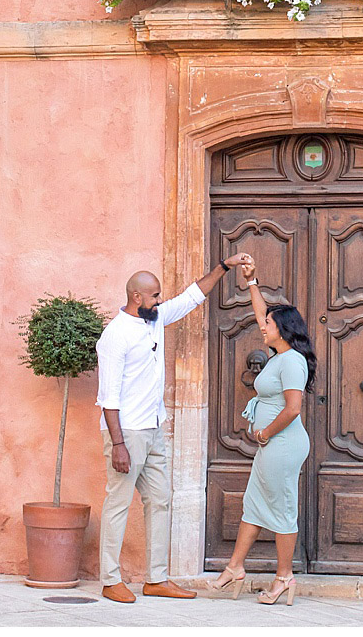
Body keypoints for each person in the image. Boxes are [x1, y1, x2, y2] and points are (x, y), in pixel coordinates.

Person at [96, 253, 253, 603]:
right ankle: (109, 579)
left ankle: (156, 579)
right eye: (154, 295)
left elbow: (191, 297)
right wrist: (118, 444)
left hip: (153, 428)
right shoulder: (115, 335)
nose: (160, 300)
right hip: (127, 433)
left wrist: (223, 268)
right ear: (137, 297)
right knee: (118, 503)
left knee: (160, 501)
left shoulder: (153, 320)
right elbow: (107, 398)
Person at [210, 256, 316, 607]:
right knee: (254, 504)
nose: (263, 327)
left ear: (282, 330)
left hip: (283, 442)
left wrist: (266, 432)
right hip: (272, 443)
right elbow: (259, 314)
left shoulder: (293, 362)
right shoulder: (278, 353)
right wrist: (252, 281)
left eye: (269, 324)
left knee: (282, 509)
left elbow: (294, 408)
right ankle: (236, 567)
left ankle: (284, 578)